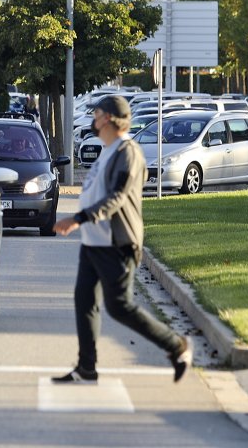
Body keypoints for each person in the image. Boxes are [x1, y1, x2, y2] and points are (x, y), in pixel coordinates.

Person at [51, 94, 192, 385]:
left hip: (116, 245)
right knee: (84, 302)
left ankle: (177, 346)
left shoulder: (128, 152)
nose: (93, 120)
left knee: (119, 307)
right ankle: (86, 367)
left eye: (97, 115)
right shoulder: (108, 150)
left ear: (109, 119)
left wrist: (78, 219)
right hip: (93, 243)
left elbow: (117, 197)